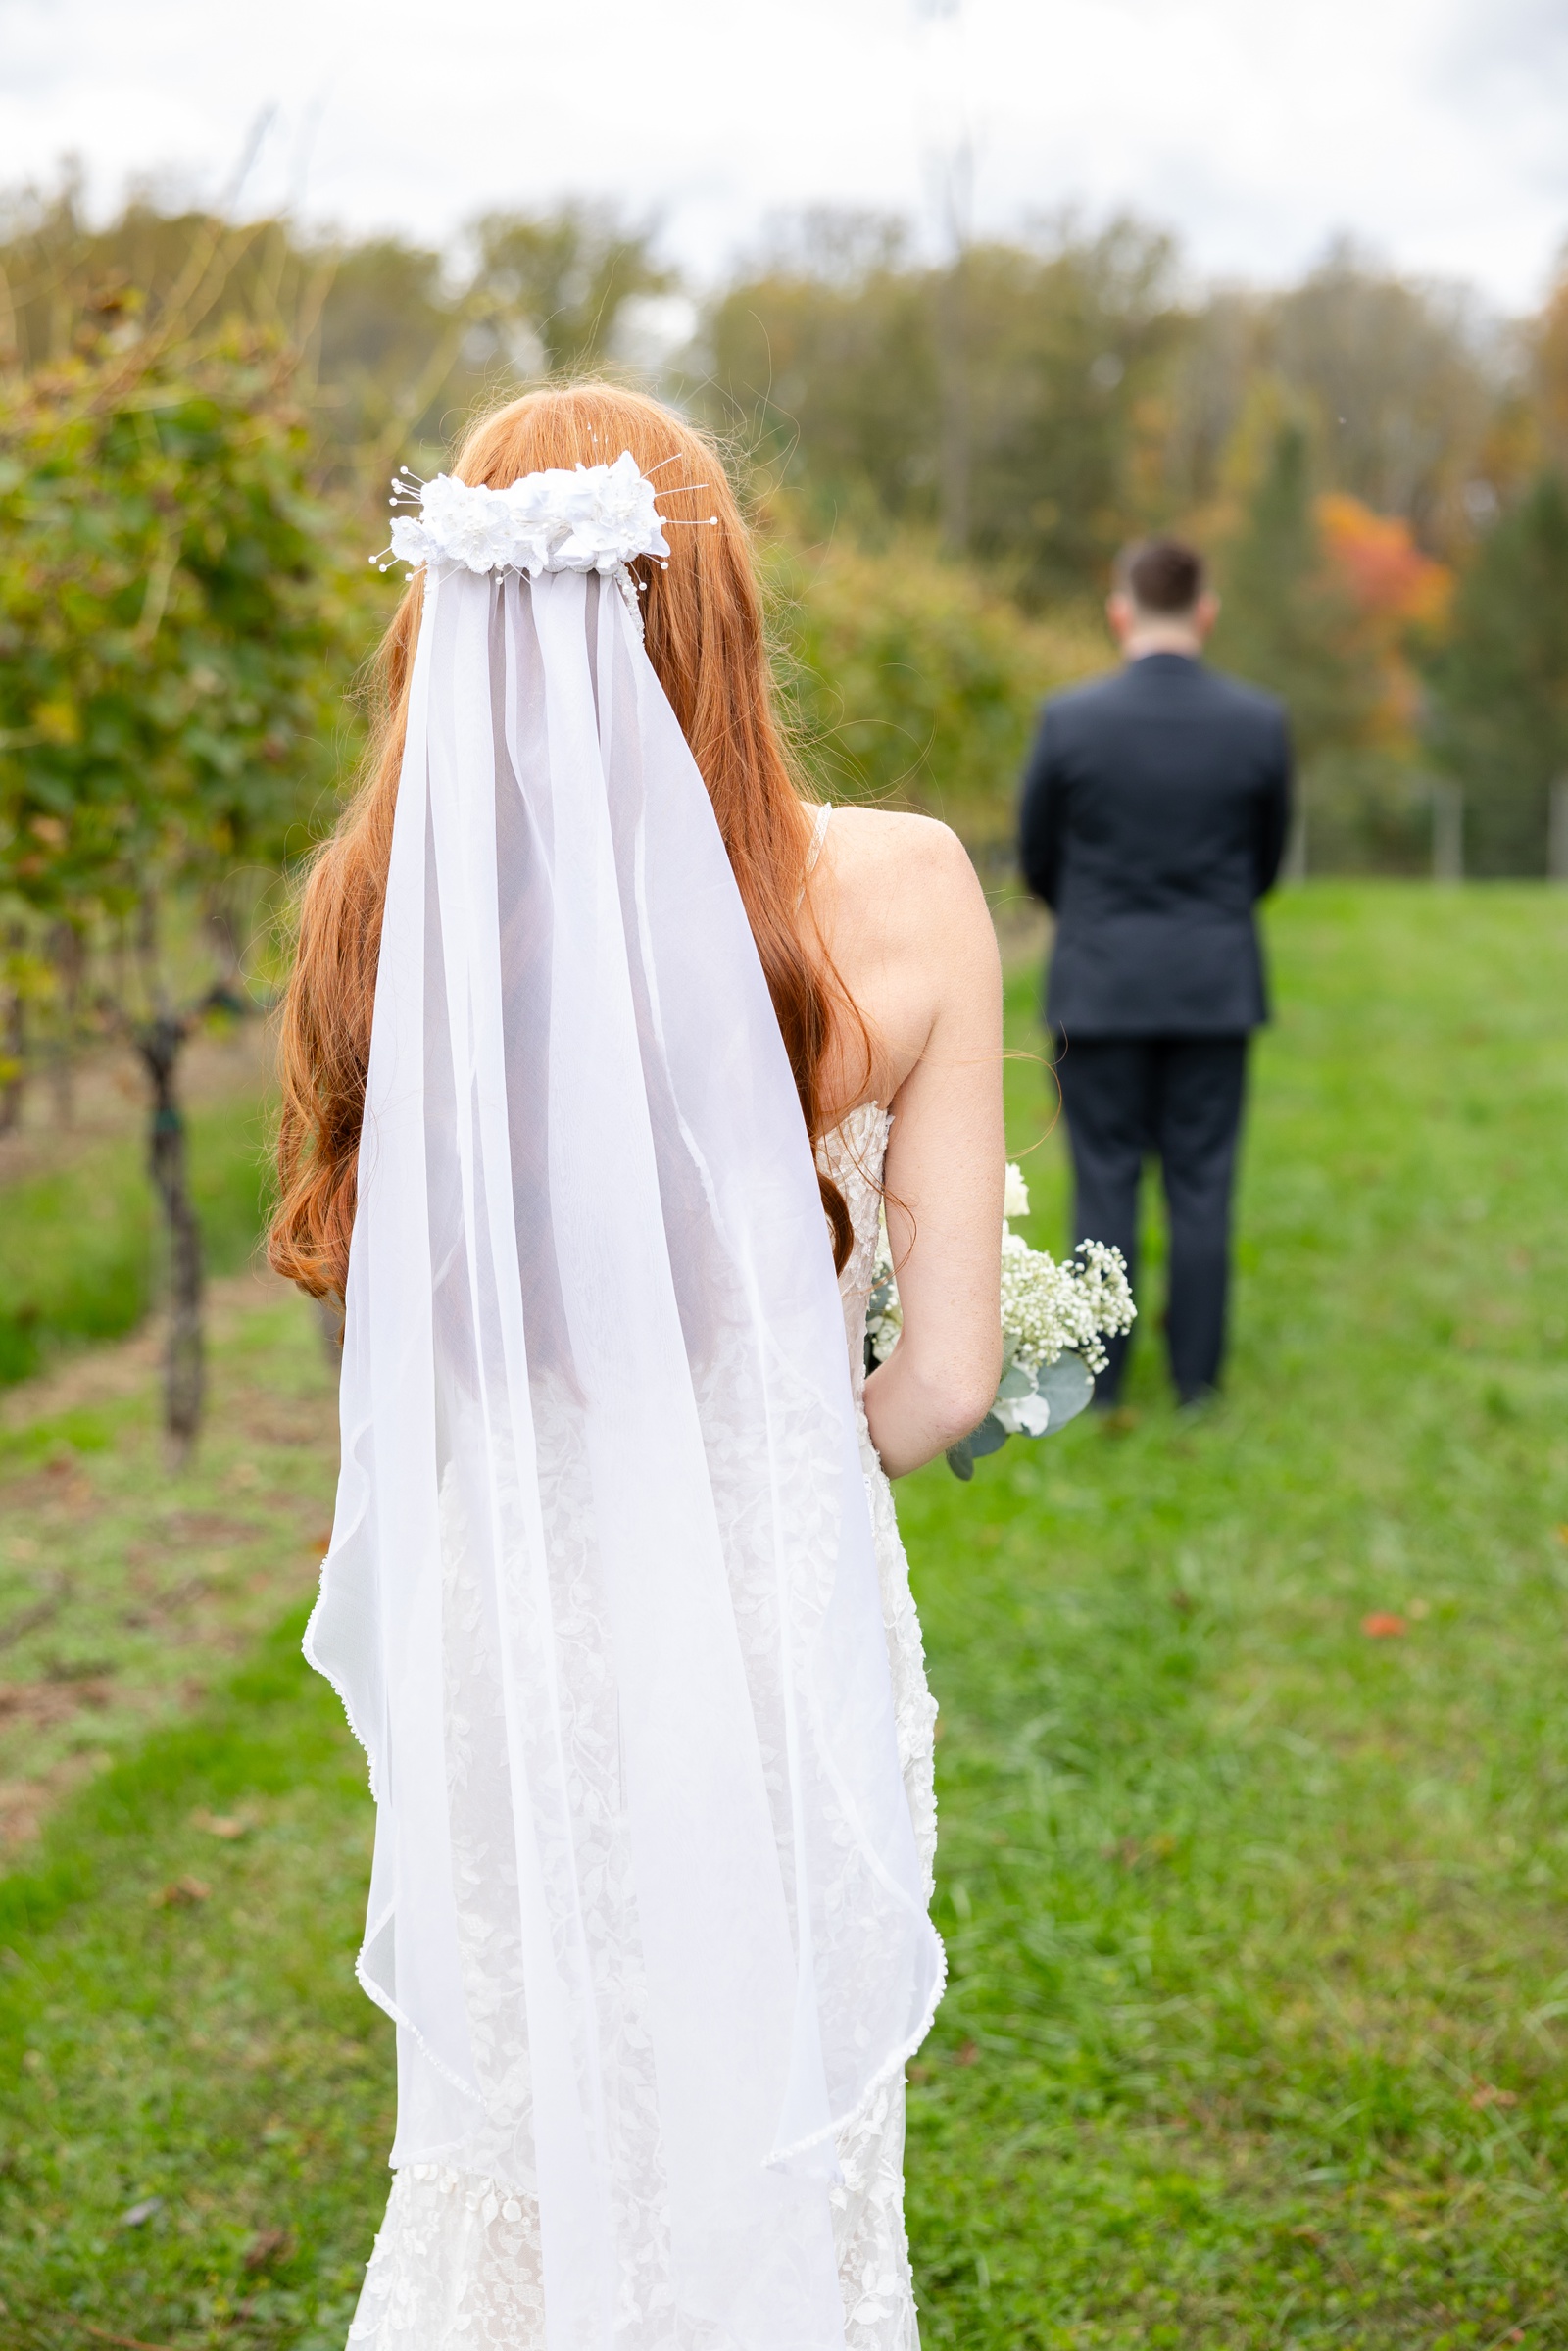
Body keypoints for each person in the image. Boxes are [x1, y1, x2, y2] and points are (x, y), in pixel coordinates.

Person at [268, 383, 1003, 2351]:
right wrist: (786, 1433)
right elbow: (942, 1383)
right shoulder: (906, 885)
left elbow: (413, 1335)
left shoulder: (376, 913)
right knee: (772, 2137)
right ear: (720, 606)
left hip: (512, 1607)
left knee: (524, 2144)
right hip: (764, 1601)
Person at [1017, 536, 1291, 1407]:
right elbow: (1267, 861)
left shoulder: (1070, 721)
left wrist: (1099, 925)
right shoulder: (1259, 722)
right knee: (1204, 1185)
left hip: (1101, 987)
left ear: (1119, 610)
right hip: (1214, 985)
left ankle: (1096, 1385)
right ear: (1205, 611)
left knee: (1104, 1184)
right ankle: (1198, 1383)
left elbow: (1037, 858)